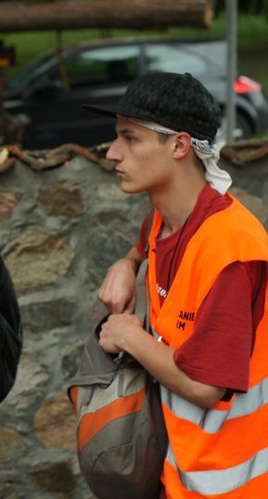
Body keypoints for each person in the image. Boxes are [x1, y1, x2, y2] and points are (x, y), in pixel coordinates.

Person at [87, 72, 268, 497]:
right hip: (181, 472)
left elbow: (205, 387)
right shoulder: (164, 218)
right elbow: (148, 240)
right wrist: (125, 263)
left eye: (129, 138)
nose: (112, 153)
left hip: (235, 484)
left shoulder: (231, 249)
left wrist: (129, 335)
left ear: (179, 145)